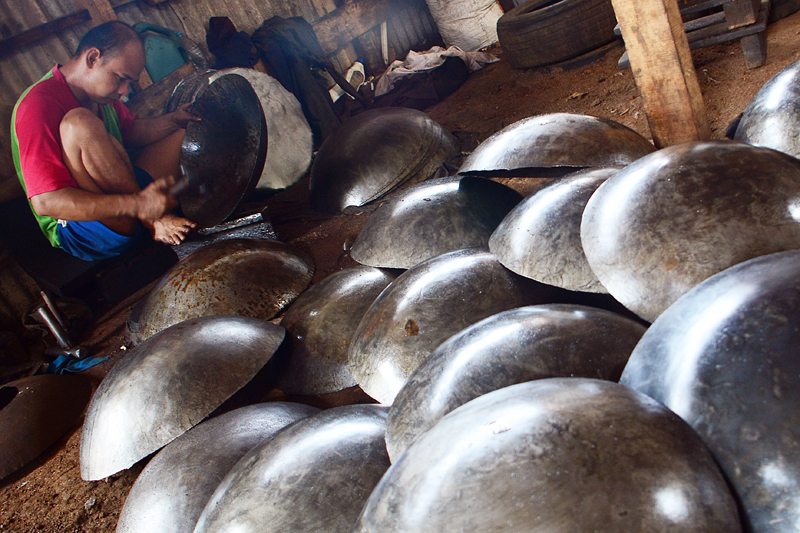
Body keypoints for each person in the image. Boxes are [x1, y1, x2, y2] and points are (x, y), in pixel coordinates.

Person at [11, 20, 198, 261]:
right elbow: (47, 203)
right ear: (92, 58)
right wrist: (138, 205)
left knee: (185, 134)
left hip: (128, 198)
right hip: (84, 227)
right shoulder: (37, 104)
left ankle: (162, 212)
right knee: (79, 123)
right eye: (121, 78)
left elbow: (131, 132)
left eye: (129, 82)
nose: (124, 91)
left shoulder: (101, 96)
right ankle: (154, 219)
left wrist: (175, 120)